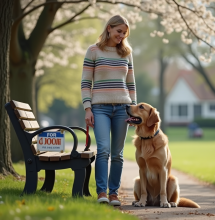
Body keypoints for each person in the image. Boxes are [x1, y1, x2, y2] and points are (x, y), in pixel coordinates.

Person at [81, 15, 136, 205]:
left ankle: (114, 194)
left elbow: (131, 84)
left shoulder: (126, 52)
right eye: (119, 31)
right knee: (103, 149)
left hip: (123, 108)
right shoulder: (93, 51)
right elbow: (86, 83)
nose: (121, 36)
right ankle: (102, 193)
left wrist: (134, 110)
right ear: (109, 28)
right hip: (100, 108)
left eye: (124, 33)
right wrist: (88, 108)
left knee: (118, 154)